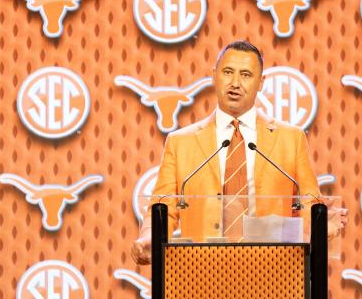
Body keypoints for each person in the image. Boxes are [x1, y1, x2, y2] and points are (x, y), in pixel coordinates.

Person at [131, 40, 348, 264]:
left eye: (246, 74)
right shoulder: (180, 142)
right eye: (227, 72)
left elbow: (307, 204)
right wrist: (150, 238)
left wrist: (321, 228)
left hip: (273, 271)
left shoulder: (291, 139)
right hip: (203, 271)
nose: (235, 83)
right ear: (214, 75)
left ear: (261, 82)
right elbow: (163, 207)